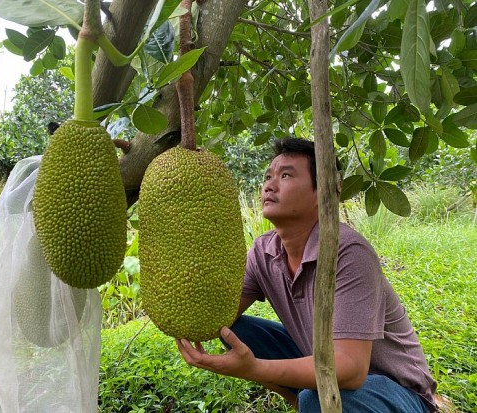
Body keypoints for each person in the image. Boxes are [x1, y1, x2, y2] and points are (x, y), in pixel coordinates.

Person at [176, 138, 437, 412]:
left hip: (398, 392)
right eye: (268, 177)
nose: (269, 185)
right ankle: (304, 404)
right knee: (234, 331)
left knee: (317, 399)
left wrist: (254, 368)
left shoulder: (348, 252)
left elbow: (350, 369)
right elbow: (218, 314)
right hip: (322, 360)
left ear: (322, 191)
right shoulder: (264, 251)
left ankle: (309, 405)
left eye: (285, 175)